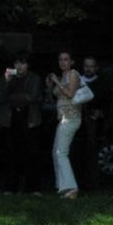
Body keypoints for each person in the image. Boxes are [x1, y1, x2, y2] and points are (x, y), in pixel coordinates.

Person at [0, 52, 43, 194]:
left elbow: (32, 97)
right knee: (11, 153)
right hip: (11, 119)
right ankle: (10, 187)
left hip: (29, 119)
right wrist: (6, 81)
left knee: (31, 154)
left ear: (28, 65)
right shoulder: (7, 78)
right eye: (17, 63)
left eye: (22, 63)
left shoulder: (35, 78)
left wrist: (12, 98)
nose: (19, 66)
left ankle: (32, 188)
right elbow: (1, 97)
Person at [46, 50, 82, 199]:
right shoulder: (61, 76)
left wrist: (56, 82)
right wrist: (50, 86)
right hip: (62, 118)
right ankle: (62, 186)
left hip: (72, 117)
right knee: (56, 152)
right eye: (60, 60)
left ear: (72, 62)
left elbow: (70, 94)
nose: (63, 62)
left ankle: (71, 187)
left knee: (61, 152)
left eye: (66, 59)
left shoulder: (73, 74)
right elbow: (53, 98)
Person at [77, 56, 109, 190]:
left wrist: (100, 113)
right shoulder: (77, 81)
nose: (88, 69)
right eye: (86, 66)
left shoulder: (102, 83)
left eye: (91, 66)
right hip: (77, 120)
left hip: (92, 123)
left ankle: (92, 184)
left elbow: (105, 103)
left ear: (96, 68)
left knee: (92, 152)